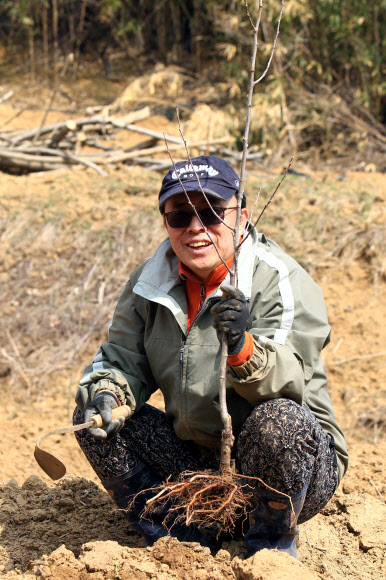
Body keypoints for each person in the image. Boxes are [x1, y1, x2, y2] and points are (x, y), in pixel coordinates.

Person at [74, 155, 348, 559]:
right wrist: (109, 394)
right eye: (180, 216)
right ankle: (184, 541)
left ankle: (269, 549)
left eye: (212, 212)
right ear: (165, 221)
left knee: (280, 423)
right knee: (93, 416)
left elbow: (293, 380)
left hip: (294, 473)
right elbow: (119, 361)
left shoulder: (280, 278)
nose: (196, 228)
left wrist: (242, 347)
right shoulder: (149, 282)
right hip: (196, 470)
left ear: (242, 215)